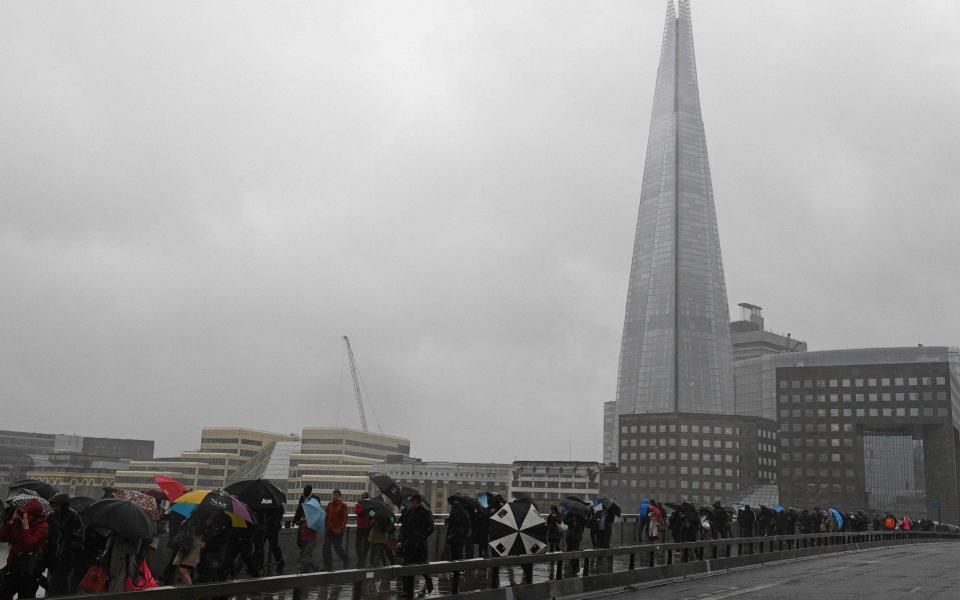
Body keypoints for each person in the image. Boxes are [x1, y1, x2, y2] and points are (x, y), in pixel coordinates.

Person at [0, 499, 49, 600]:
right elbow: (3, 537)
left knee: (25, 597)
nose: (25, 516)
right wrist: (11, 522)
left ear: (36, 515)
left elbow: (29, 545)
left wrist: (26, 527)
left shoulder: (43, 527)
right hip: (13, 566)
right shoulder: (18, 522)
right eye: (24, 513)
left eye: (28, 514)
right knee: (3, 595)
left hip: (29, 571)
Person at [45, 494, 84, 596]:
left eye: (57, 506)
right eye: (53, 506)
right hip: (53, 555)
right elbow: (48, 534)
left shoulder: (73, 517)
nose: (54, 508)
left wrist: (67, 546)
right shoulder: (51, 517)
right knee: (60, 582)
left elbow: (79, 536)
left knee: (57, 581)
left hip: (67, 556)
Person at [399, 495, 434, 598]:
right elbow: (404, 527)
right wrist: (401, 540)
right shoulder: (409, 511)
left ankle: (428, 580)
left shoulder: (426, 512)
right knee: (407, 569)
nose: (410, 504)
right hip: (409, 544)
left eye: (412, 502)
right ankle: (408, 592)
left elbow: (431, 527)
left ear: (417, 502)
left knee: (421, 565)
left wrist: (420, 537)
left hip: (419, 545)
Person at [322, 489, 349, 571]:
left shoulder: (343, 505)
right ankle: (328, 565)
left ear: (340, 496)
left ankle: (346, 559)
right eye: (333, 495)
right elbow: (326, 516)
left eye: (336, 495)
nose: (334, 497)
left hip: (338, 531)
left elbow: (345, 518)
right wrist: (326, 525)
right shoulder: (330, 505)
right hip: (329, 529)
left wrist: (340, 529)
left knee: (337, 547)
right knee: (326, 547)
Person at [254, 508, 285, 574]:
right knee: (272, 546)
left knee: (261, 547)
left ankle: (259, 565)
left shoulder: (259, 503)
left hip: (266, 528)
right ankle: (280, 562)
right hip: (270, 527)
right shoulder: (274, 503)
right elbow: (280, 512)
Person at [354, 492, 371, 568]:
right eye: (362, 496)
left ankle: (361, 560)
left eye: (364, 497)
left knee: (366, 545)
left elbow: (372, 514)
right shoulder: (358, 505)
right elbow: (358, 512)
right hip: (360, 527)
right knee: (357, 544)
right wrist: (365, 509)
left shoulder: (369, 506)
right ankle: (362, 559)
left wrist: (369, 511)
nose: (362, 498)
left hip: (367, 527)